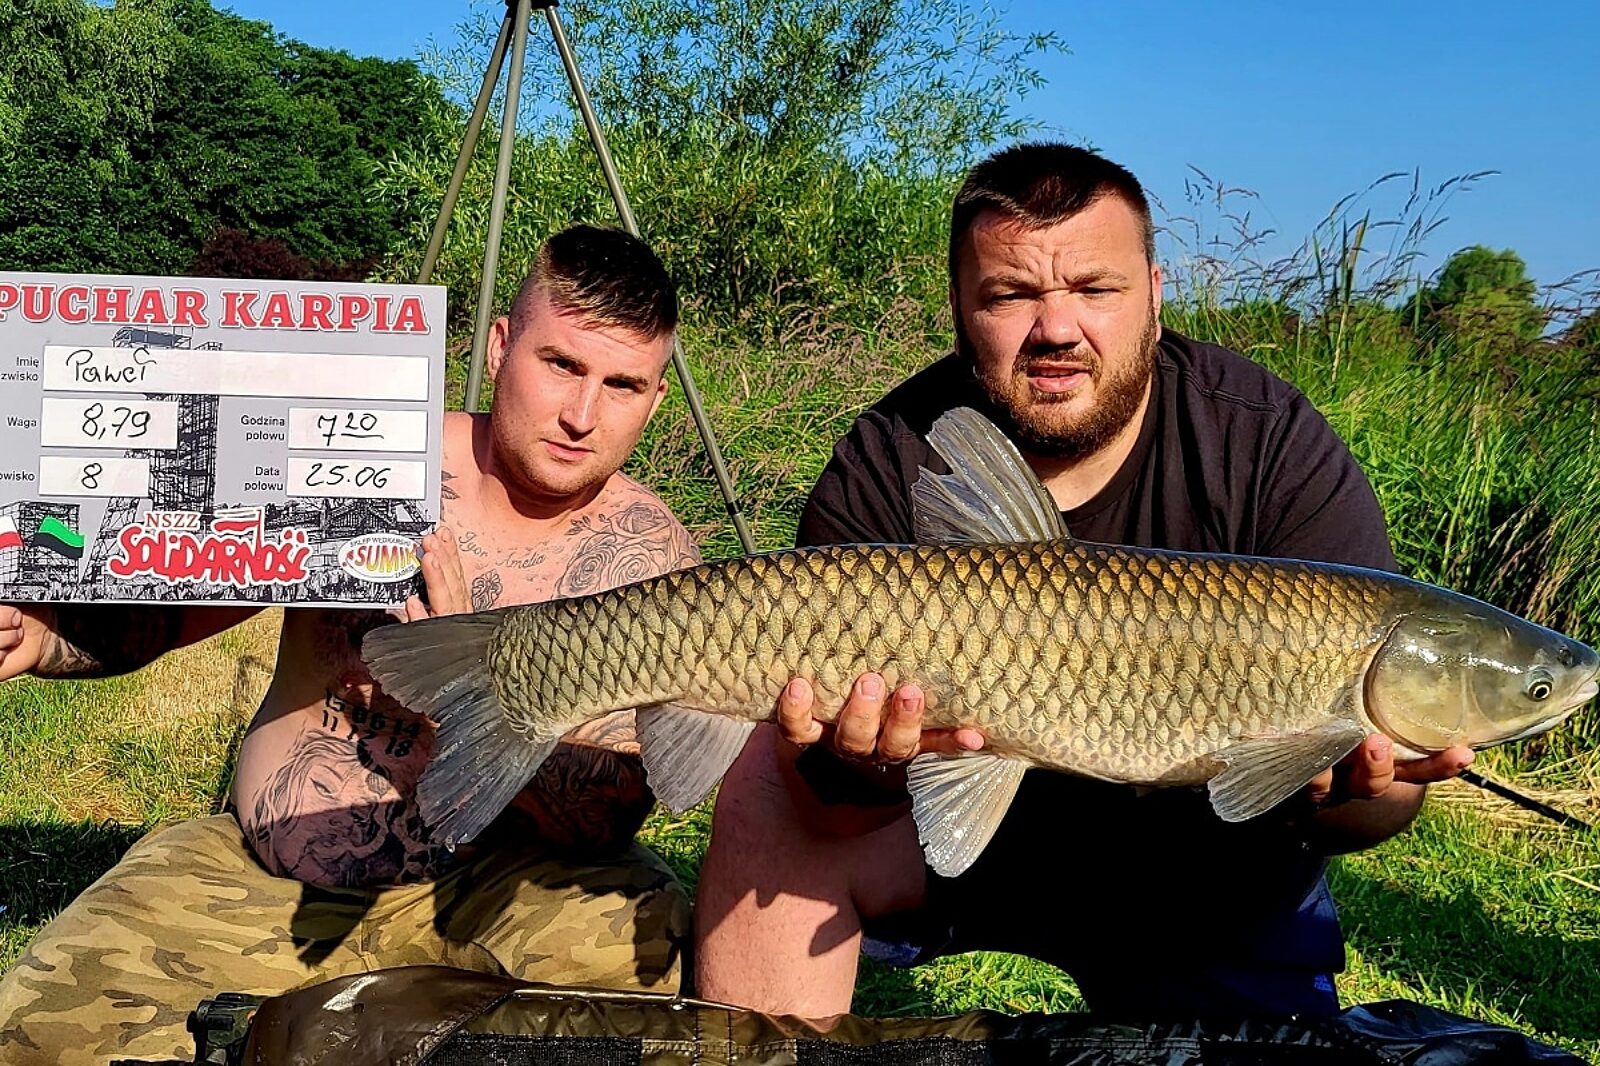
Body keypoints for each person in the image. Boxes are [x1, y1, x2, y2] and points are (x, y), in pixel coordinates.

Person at [692, 143, 1475, 1021]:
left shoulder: (1267, 444)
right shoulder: (890, 453)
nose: (1057, 329)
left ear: (1155, 294)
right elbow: (830, 802)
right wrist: (862, 762)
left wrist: (1350, 789)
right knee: (769, 778)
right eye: (1010, 295)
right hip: (952, 826)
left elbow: (1377, 812)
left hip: (1207, 865)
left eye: (1096, 289)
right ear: (959, 308)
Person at [0, 223, 702, 1065]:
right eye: (560, 365)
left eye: (622, 385)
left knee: (622, 994)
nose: (582, 416)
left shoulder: (648, 556)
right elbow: (183, 597)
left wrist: (468, 699)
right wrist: (43, 636)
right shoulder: (371, 452)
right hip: (264, 882)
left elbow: (608, 815)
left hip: (505, 896)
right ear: (498, 348)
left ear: (655, 398)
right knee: (41, 1030)